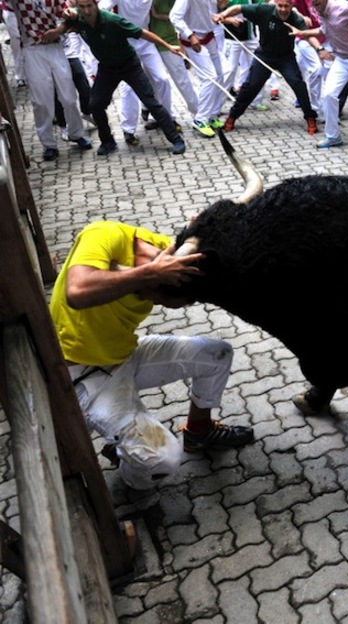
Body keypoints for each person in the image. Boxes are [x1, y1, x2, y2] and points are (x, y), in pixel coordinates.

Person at [50, 221, 255, 490]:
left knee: (217, 355)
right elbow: (77, 291)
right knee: (162, 459)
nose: (155, 305)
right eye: (158, 300)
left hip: (125, 355)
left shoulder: (166, 251)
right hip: (84, 375)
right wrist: (148, 274)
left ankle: (199, 431)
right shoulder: (104, 233)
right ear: (154, 280)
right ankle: (129, 467)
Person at [48, 0, 186, 155]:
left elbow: (143, 33)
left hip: (129, 66)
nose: (86, 11)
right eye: (82, 7)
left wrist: (168, 47)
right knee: (95, 104)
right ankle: (107, 141)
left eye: (90, 6)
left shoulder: (113, 21)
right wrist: (58, 31)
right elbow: (67, 23)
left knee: (151, 102)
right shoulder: (78, 17)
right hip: (107, 68)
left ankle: (176, 140)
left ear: (96, 5)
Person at [214, 0, 320, 134]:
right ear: (275, 4)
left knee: (298, 83)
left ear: (291, 6)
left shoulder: (296, 18)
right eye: (280, 5)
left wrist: (320, 49)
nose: (282, 9)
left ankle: (310, 117)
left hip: (285, 57)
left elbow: (308, 35)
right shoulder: (264, 10)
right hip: (264, 55)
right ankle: (232, 116)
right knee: (250, 86)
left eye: (286, 6)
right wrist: (223, 15)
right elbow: (238, 7)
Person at [11, 0, 91, 161]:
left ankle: (76, 134)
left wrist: (67, 16)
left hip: (55, 48)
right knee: (41, 101)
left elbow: (65, 12)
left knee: (68, 97)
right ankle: (49, 144)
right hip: (32, 49)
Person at [294, 0, 348, 148]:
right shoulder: (318, 9)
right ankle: (333, 136)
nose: (315, 2)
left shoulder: (344, 7)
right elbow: (324, 30)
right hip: (340, 59)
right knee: (329, 94)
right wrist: (303, 33)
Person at [99, 0, 180, 147]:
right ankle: (128, 130)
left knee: (162, 79)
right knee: (128, 88)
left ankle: (167, 118)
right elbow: (102, 7)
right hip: (125, 41)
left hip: (145, 40)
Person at [170, 0, 229, 138]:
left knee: (221, 75)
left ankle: (212, 115)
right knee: (210, 78)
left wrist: (216, 14)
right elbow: (174, 16)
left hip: (209, 36)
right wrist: (190, 35)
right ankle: (200, 119)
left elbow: (207, 11)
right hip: (194, 40)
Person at [150, 0, 200, 119]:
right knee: (154, 81)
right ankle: (159, 116)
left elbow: (179, 16)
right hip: (148, 42)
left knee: (182, 79)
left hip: (170, 40)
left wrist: (159, 16)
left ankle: (199, 113)